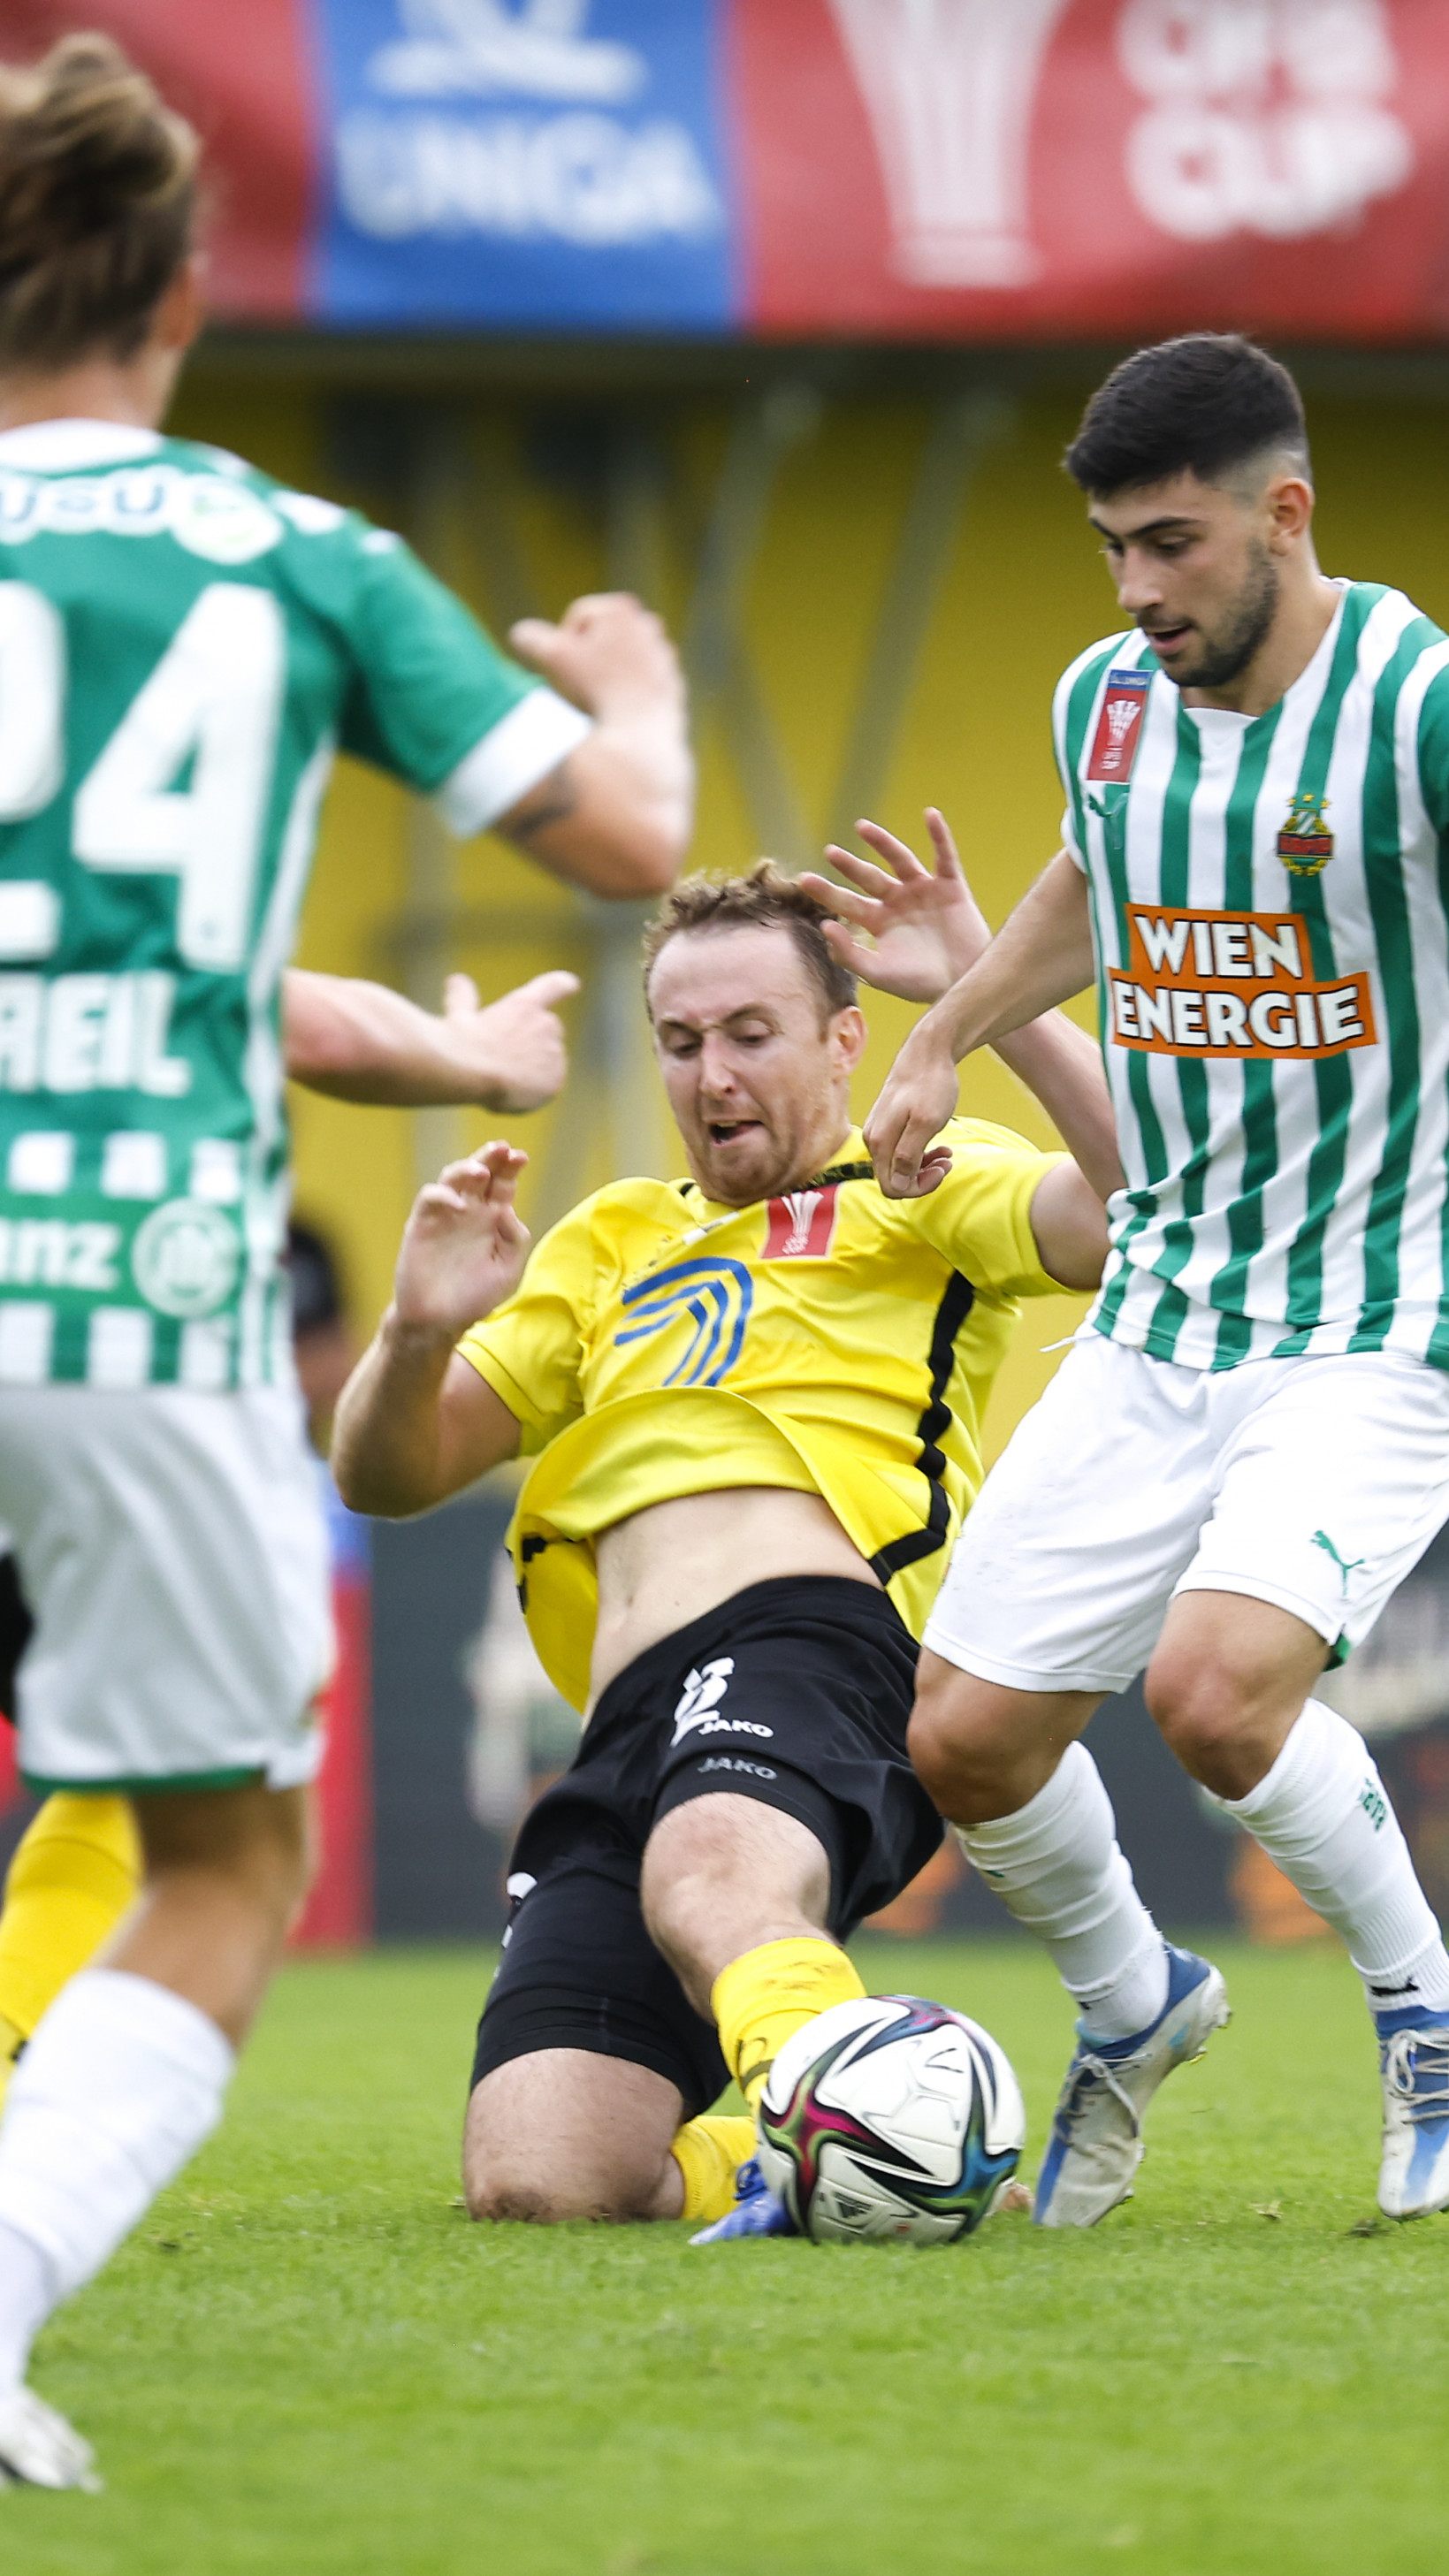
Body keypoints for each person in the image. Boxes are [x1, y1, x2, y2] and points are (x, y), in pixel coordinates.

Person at [0, 32, 690, 2491]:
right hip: (126, 1298)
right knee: (222, 1859)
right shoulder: (293, 557)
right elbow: (630, 838)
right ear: (183, 298)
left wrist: (433, 1057)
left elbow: (182, 972)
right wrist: (638, 689)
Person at [860, 332, 1449, 2229]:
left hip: (1378, 1311)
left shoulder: (1417, 705)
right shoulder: (1106, 702)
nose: (1134, 586)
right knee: (962, 1739)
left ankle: (1427, 2013)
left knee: (1211, 1692)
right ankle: (1137, 1998)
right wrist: (943, 1027)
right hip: (1166, 1306)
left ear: (1286, 514)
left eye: (1170, 543)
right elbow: (1094, 874)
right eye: (1112, 547)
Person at [332, 840, 1118, 2241]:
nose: (713, 1074)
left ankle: (892, 2123)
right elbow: (386, 1474)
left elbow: (1140, 1221)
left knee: (712, 1872)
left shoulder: (920, 1179)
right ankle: (830, 2140)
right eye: (682, 1040)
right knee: (543, 2176)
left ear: (844, 1039)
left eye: (752, 1033)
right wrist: (414, 1329)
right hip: (627, 1713)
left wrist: (990, 1001)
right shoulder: (611, 1239)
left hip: (820, 1645)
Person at [0, 960, 575, 2117]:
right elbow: (303, 1020)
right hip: (74, 1397)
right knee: (214, 1809)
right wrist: (472, 1059)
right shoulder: (135, 922)